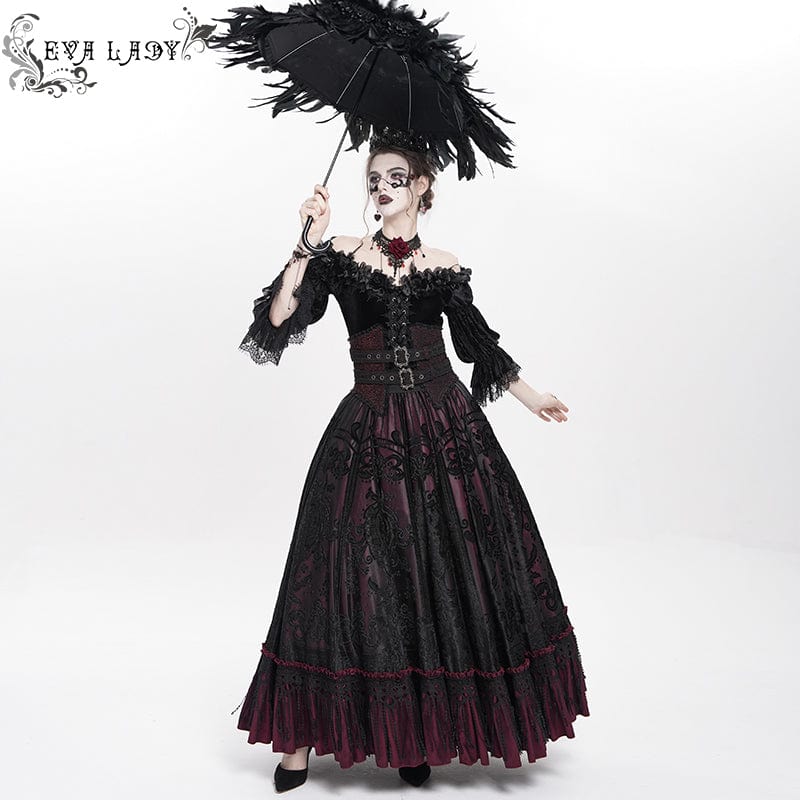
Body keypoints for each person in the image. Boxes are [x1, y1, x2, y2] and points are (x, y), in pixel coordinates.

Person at [233, 130, 589, 793]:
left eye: (394, 176)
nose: (380, 187)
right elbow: (279, 317)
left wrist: (533, 396)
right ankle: (298, 741)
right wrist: (307, 240)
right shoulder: (342, 255)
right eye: (373, 178)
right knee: (341, 572)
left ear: (422, 186)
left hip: (444, 429)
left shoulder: (444, 266)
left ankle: (417, 734)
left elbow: (479, 347)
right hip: (368, 426)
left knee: (436, 574)